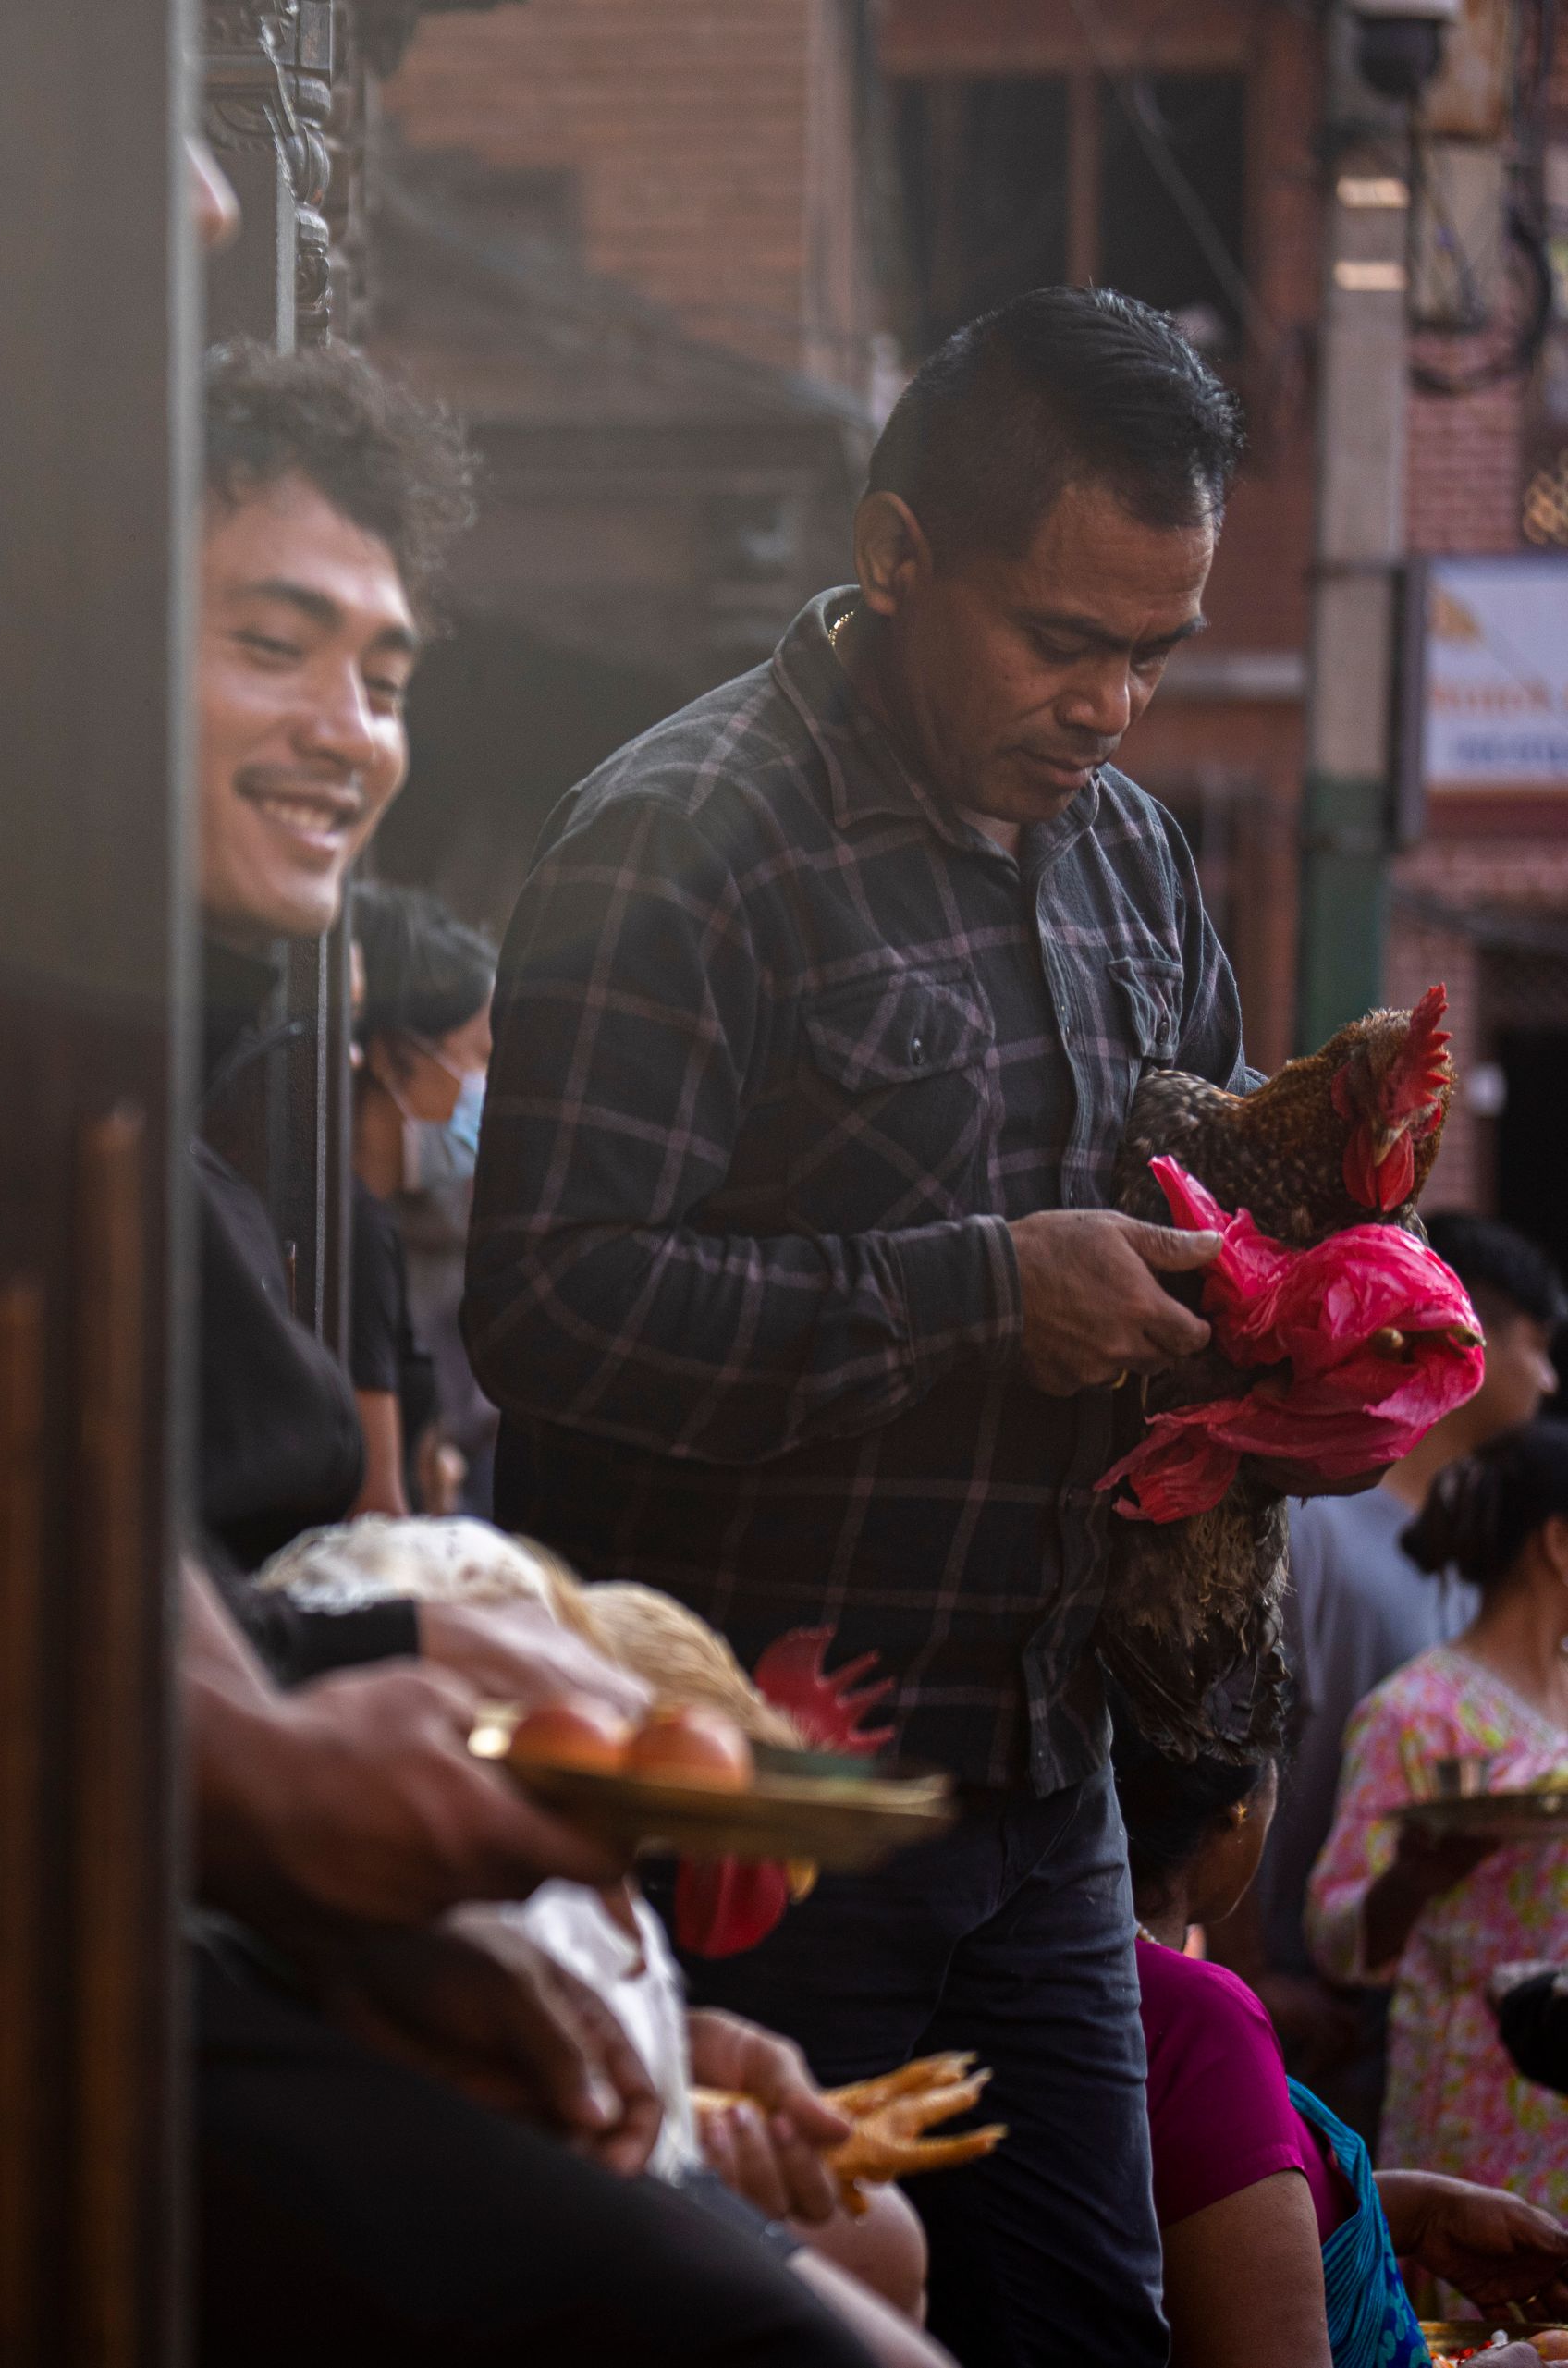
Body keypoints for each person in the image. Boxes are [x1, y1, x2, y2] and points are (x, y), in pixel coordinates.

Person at [467, 285, 1272, 2368]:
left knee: (1087, 2325)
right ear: (900, 552)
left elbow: (1214, 1224)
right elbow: (549, 1304)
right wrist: (978, 1288)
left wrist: (1293, 1342)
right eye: (1062, 637)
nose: (1111, 705)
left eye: (1154, 655)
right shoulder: (686, 835)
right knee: (770, 2328)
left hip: (1049, 1786)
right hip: (768, 1815)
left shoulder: (1136, 866)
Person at [178, 337, 910, 2368]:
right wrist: (331, 1744)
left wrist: (613, 1998)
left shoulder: (170, 1103)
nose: (349, 731)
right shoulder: (11, 1069)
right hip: (90, 1989)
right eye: (273, 642)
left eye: (389, 676)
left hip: (269, 1932)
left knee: (876, 2257)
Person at [1228, 1217, 1565, 2122]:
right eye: (1540, 1344)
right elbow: (1237, 1742)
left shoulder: (1468, 1572)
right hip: (1299, 2003)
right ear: (1471, 1335)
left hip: (1385, 2023)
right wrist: (1247, 1975)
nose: (1551, 1378)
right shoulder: (1316, 1524)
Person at [1116, 1713, 1568, 2368]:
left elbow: (1191, 2215)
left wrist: (1411, 2211)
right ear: (1238, 1805)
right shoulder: (1197, 2017)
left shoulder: (1074, 1979)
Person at [1309, 1423, 1568, 2215]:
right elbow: (1336, 1940)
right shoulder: (1416, 1714)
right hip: (1475, 2106)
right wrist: (1416, 1877)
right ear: (1558, 1542)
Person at [347, 879, 494, 1516]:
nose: (491, 1089)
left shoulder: (374, 1222)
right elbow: (379, 1511)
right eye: (480, 1058)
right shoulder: (355, 1233)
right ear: (391, 1056)